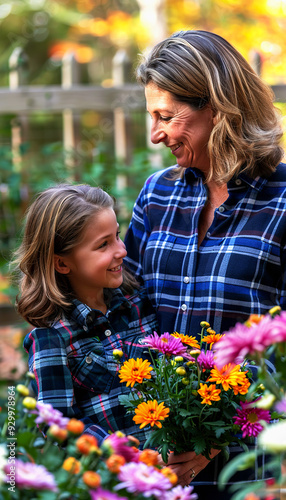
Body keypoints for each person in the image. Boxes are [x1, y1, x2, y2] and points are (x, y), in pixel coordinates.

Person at [124, 30, 286, 498]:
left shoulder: (282, 200)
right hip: (159, 462)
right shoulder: (157, 195)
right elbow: (127, 310)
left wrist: (216, 427)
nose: (156, 134)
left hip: (256, 468)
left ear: (218, 107)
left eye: (167, 116)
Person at [15, 183, 208, 487]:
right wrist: (127, 456)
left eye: (117, 235)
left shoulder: (137, 303)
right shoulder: (50, 335)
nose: (122, 250)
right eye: (103, 245)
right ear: (62, 262)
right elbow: (59, 425)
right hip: (115, 484)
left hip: (173, 479)